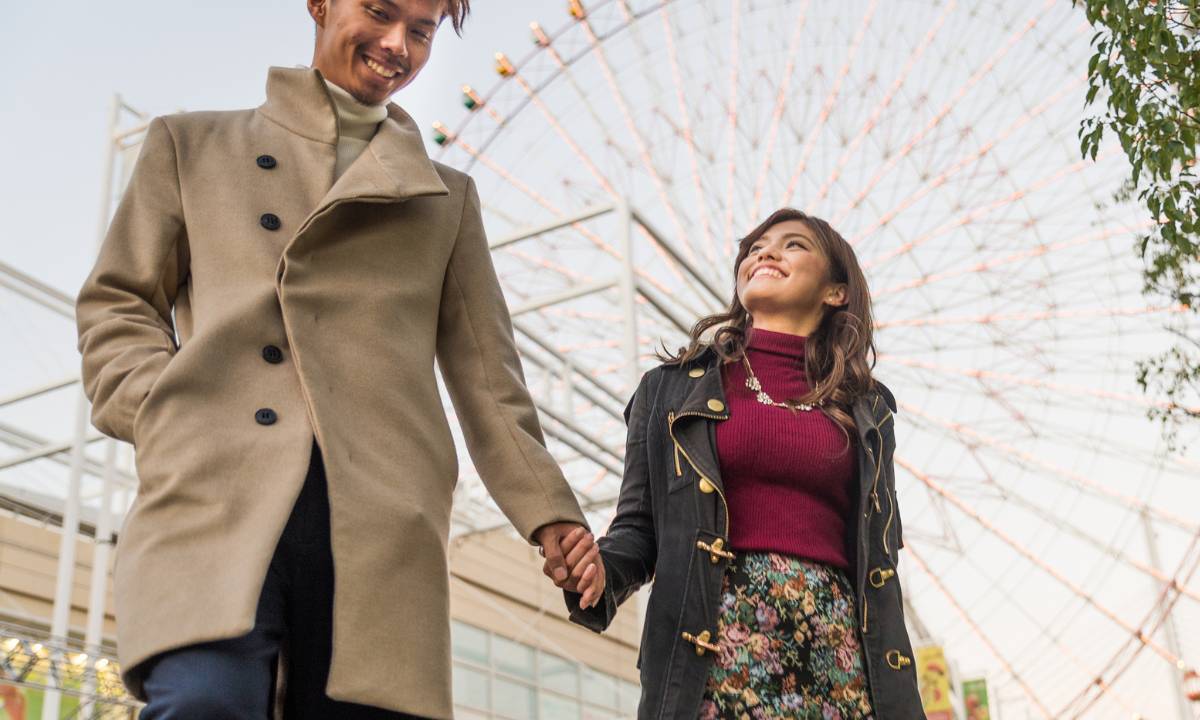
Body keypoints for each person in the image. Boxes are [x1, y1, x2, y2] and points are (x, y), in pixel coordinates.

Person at [75, 1, 602, 717]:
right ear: (319, 4)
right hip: (214, 487)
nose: (397, 46)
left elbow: (488, 380)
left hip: (380, 517)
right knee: (205, 702)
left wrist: (550, 515)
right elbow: (119, 303)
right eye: (380, 13)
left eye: (421, 31)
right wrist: (169, 414)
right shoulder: (190, 145)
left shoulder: (446, 200)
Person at [560, 208, 925, 718]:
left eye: (793, 245)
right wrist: (597, 571)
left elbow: (879, 554)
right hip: (716, 644)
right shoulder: (667, 389)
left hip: (842, 653)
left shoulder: (867, 406)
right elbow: (639, 529)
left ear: (836, 291)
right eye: (754, 248)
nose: (765, 252)